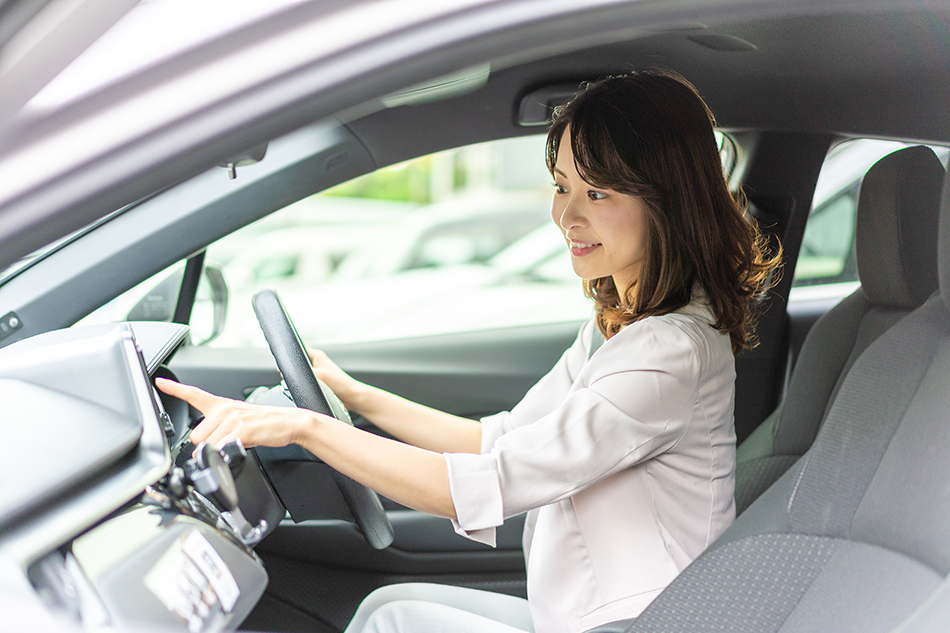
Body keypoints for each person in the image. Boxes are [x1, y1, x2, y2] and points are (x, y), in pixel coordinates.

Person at [156, 69, 779, 633]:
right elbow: (499, 439)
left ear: (666, 202)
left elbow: (485, 484)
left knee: (392, 622)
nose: (566, 216)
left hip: (648, 621)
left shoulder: (668, 354)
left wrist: (306, 429)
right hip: (593, 613)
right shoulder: (622, 326)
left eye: (599, 195)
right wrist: (353, 393)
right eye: (562, 187)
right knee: (383, 610)